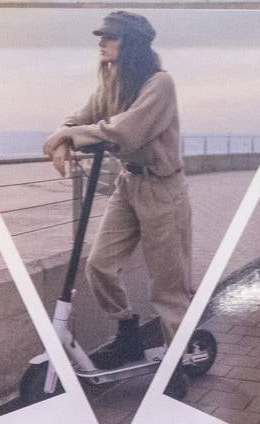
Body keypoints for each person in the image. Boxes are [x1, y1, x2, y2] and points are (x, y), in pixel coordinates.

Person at [42, 10, 192, 368]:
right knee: (99, 266)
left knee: (169, 287)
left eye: (111, 36)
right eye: (102, 35)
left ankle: (177, 364)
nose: (102, 41)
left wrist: (67, 136)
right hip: (129, 184)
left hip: (163, 189)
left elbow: (125, 131)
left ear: (133, 44)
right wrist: (65, 136)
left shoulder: (159, 84)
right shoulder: (112, 83)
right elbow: (81, 118)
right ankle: (128, 333)